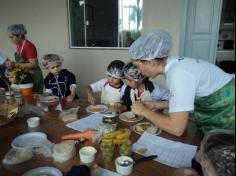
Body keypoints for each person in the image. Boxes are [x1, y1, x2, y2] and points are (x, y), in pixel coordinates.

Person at [129, 29, 235, 136]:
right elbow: (182, 100)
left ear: (151, 62)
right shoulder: (175, 64)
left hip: (228, 111)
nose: (138, 71)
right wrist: (155, 105)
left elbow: (177, 129)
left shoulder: (178, 75)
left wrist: (144, 111)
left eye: (138, 66)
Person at [7, 24, 43, 93]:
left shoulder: (28, 46)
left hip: (33, 76)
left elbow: (34, 64)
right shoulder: (19, 45)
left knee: (33, 98)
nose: (10, 40)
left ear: (20, 36)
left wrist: (15, 64)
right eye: (9, 37)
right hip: (26, 75)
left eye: (12, 37)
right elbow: (22, 62)